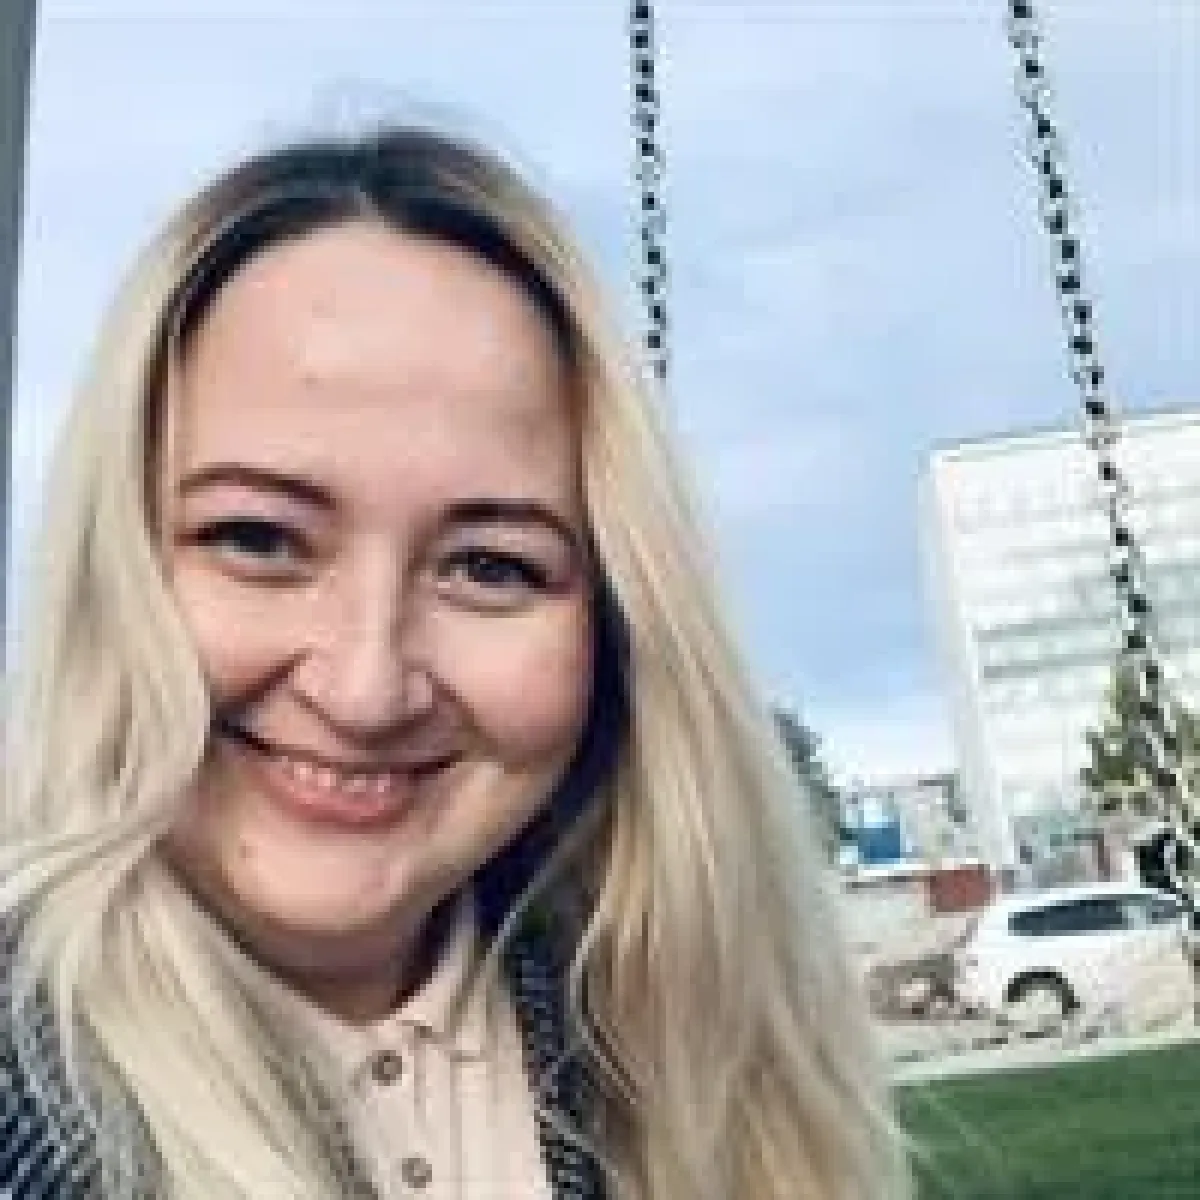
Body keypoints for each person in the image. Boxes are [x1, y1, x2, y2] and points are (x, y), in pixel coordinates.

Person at [1, 125, 907, 1199]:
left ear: (615, 633)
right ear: (111, 566)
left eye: (489, 567)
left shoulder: (693, 1056)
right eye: (259, 539)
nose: (366, 689)